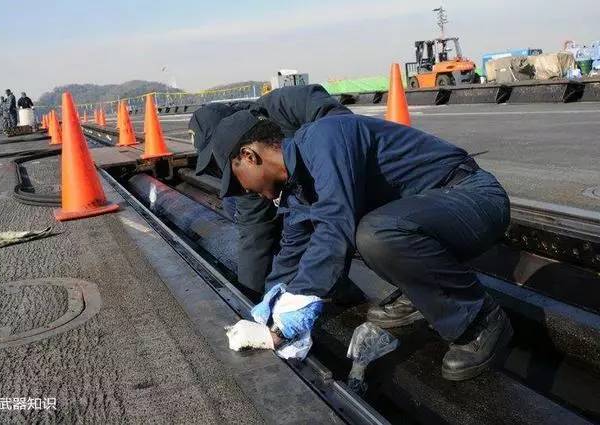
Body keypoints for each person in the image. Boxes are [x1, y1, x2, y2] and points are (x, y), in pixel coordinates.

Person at [218, 112, 513, 380]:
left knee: (371, 232)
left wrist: (300, 305)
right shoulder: (297, 190)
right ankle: (421, 293)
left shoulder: (326, 138)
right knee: (366, 231)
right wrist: (266, 317)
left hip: (472, 197)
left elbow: (336, 221)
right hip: (430, 213)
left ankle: (479, 319)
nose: (245, 191)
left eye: (238, 180)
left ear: (249, 155)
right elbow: (293, 251)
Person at [190, 84, 351, 298]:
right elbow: (254, 233)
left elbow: (342, 129)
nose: (219, 162)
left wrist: (319, 177)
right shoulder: (247, 163)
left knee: (346, 227)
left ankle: (326, 279)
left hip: (347, 175)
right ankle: (299, 280)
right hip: (300, 190)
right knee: (236, 204)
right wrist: (253, 300)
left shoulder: (285, 105)